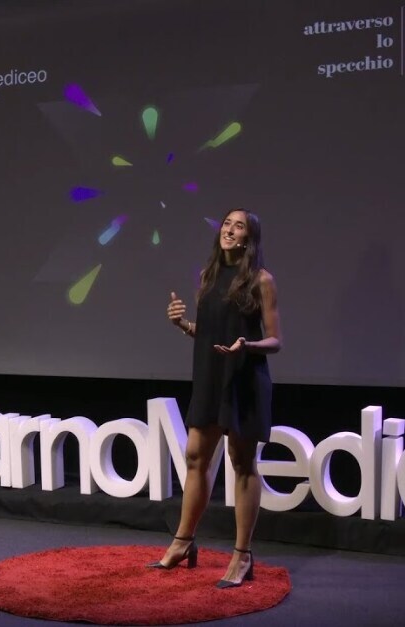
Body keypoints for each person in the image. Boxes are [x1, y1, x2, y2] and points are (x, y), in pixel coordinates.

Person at [148, 208, 282, 589]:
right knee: (195, 456)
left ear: (248, 238)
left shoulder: (261, 280)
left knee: (242, 463)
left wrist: (247, 345)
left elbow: (275, 340)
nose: (229, 230)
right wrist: (183, 324)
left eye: (239, 226)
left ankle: (242, 555)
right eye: (226, 223)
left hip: (243, 378)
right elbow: (210, 332)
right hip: (210, 376)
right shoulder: (208, 276)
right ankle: (183, 541)